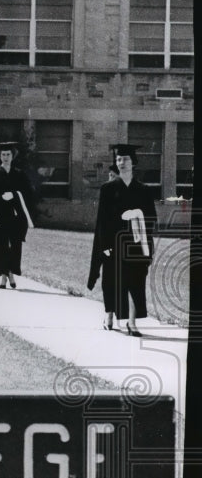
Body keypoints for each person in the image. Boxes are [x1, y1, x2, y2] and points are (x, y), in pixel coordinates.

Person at [87, 144, 156, 336]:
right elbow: (102, 221)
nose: (121, 162)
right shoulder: (108, 189)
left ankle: (132, 323)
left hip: (135, 245)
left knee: (135, 283)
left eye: (125, 159)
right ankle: (109, 315)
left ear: (133, 162)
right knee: (111, 283)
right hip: (113, 244)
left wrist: (138, 219)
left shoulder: (143, 190)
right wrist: (105, 246)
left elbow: (151, 218)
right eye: (118, 159)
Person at [0, 142, 35, 289]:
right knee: (1, 246)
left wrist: (14, 195)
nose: (6, 157)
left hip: (15, 216)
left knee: (14, 247)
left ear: (13, 156)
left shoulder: (19, 174)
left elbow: (29, 192)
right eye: (3, 154)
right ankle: (5, 276)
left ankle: (10, 273)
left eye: (8, 154)